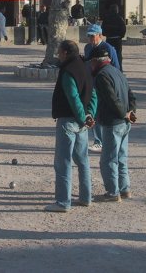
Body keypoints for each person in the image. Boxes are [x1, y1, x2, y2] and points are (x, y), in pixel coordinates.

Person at [46, 40, 97, 213]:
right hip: (82, 122)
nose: (58, 55)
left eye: (59, 52)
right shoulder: (85, 67)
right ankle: (86, 197)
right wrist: (90, 115)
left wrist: (83, 117)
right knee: (83, 160)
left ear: (66, 53)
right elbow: (93, 94)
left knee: (63, 162)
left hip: (69, 121)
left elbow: (73, 97)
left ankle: (62, 202)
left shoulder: (68, 71)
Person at [90, 47, 136, 202]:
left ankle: (112, 193)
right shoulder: (118, 72)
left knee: (108, 159)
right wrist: (130, 112)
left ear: (95, 61)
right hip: (125, 121)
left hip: (113, 122)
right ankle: (125, 189)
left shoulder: (102, 76)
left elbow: (111, 99)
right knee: (121, 157)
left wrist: (123, 113)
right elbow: (131, 95)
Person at [83, 24, 120, 153]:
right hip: (91, 84)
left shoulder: (109, 48)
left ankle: (105, 141)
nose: (90, 39)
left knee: (104, 113)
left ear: (100, 35)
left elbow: (116, 68)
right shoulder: (87, 48)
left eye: (92, 36)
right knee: (94, 111)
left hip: (105, 84)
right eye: (89, 36)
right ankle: (98, 141)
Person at [101, 4, 126, 71]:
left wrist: (105, 34)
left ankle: (109, 69)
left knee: (108, 54)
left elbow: (103, 28)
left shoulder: (106, 18)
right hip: (117, 39)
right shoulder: (119, 18)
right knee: (118, 55)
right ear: (117, 10)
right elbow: (123, 28)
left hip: (109, 38)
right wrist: (121, 35)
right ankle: (119, 69)